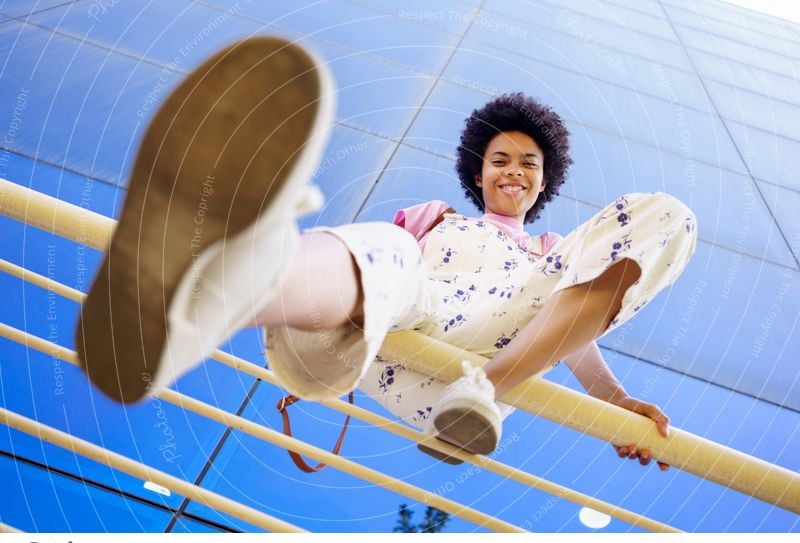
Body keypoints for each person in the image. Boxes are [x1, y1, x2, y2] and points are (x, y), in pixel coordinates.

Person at [76, 37, 696, 470]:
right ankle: (211, 295)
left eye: (528, 164)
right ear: (477, 175)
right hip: (379, 333)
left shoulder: (548, 254)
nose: (514, 171)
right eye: (499, 160)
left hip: (477, 368)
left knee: (668, 214)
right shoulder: (436, 218)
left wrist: (616, 404)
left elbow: (573, 341)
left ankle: (485, 390)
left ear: (543, 181)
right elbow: (382, 268)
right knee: (393, 247)